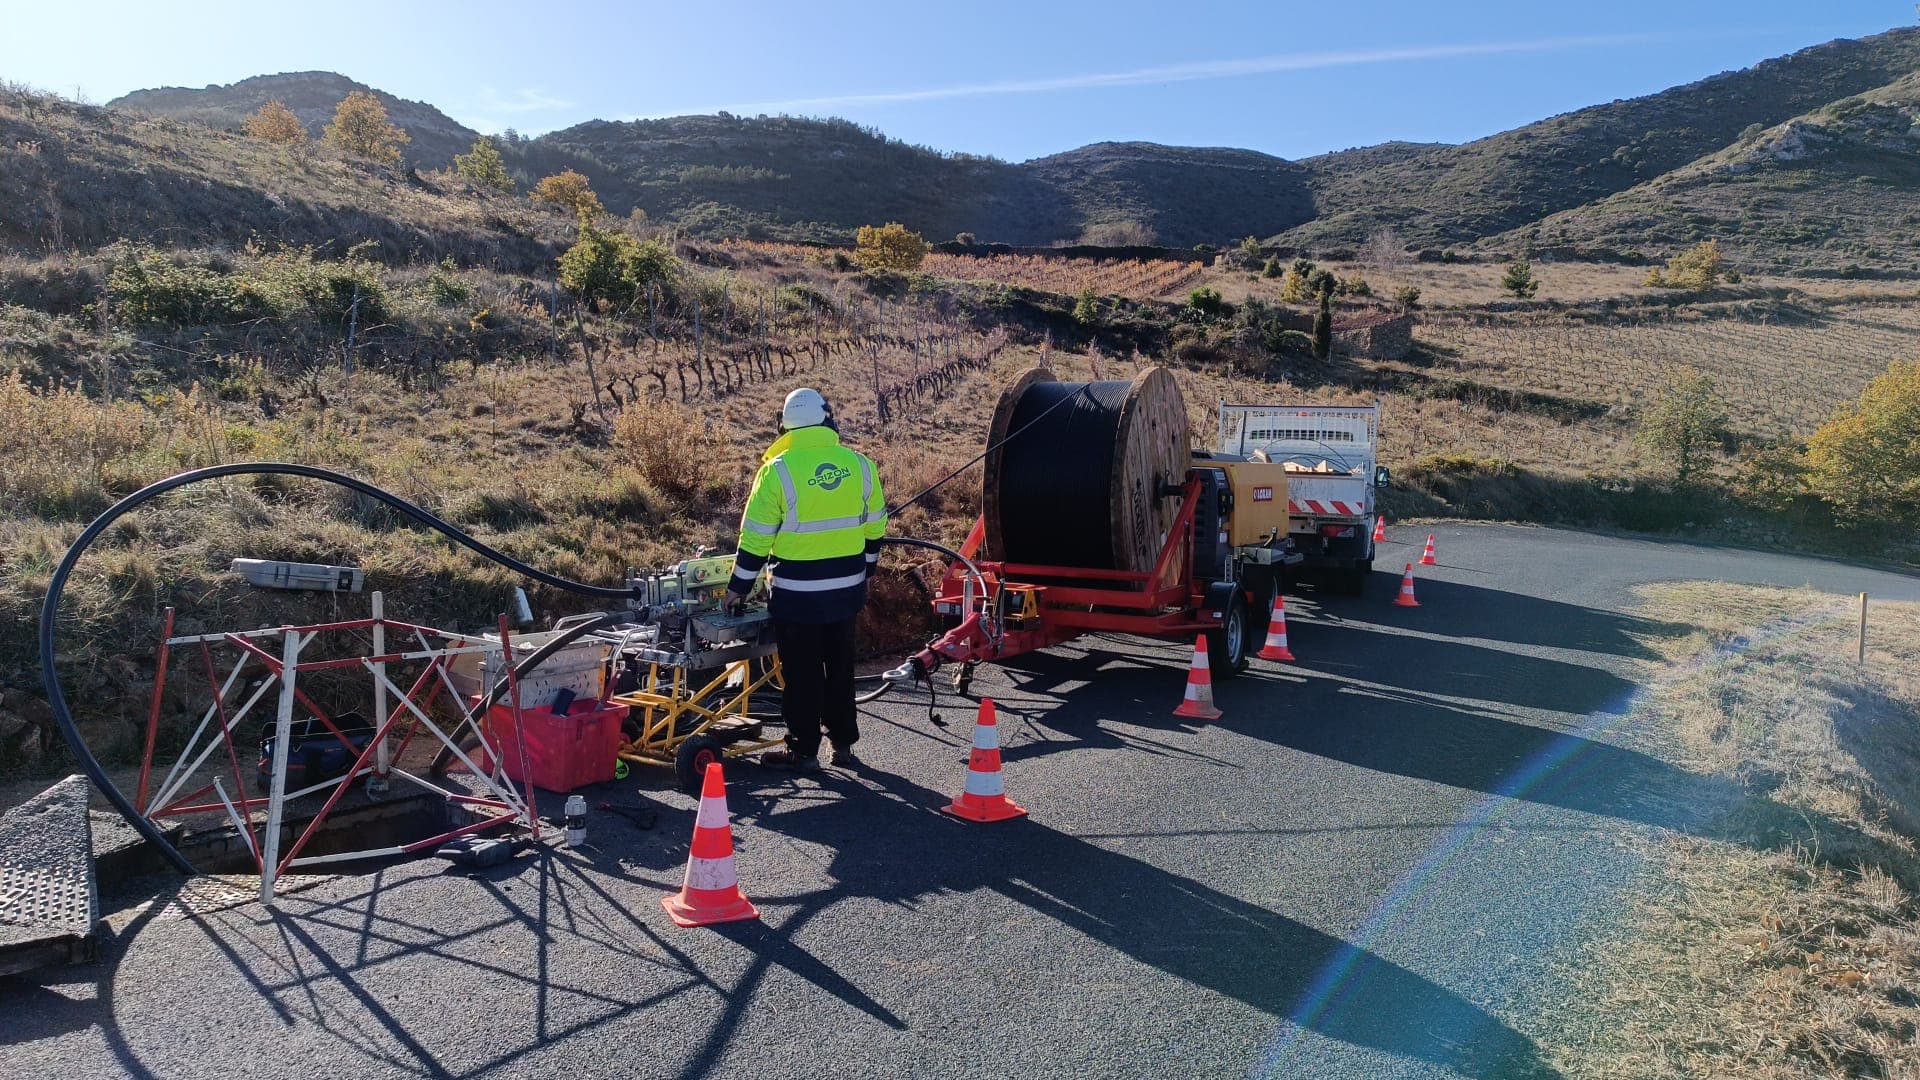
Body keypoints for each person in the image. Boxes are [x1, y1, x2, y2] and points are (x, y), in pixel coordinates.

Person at [725, 388, 887, 771]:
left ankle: (803, 751)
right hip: (846, 590)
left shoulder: (777, 470)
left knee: (802, 674)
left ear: (785, 425)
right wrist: (866, 569)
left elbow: (756, 538)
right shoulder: (860, 464)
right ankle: (843, 745)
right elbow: (876, 522)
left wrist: (738, 587)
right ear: (828, 418)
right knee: (841, 667)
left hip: (797, 596)